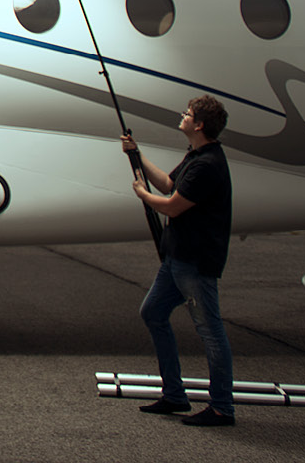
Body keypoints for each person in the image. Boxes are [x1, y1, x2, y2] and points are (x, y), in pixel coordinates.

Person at [123, 94, 235, 427]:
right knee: (153, 313)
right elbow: (171, 184)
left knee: (210, 331)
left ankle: (222, 408)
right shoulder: (197, 156)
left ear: (199, 124)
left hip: (195, 262)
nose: (182, 116)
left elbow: (172, 205)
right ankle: (174, 394)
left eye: (187, 114)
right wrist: (137, 155)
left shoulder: (207, 165)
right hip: (177, 258)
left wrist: (143, 195)